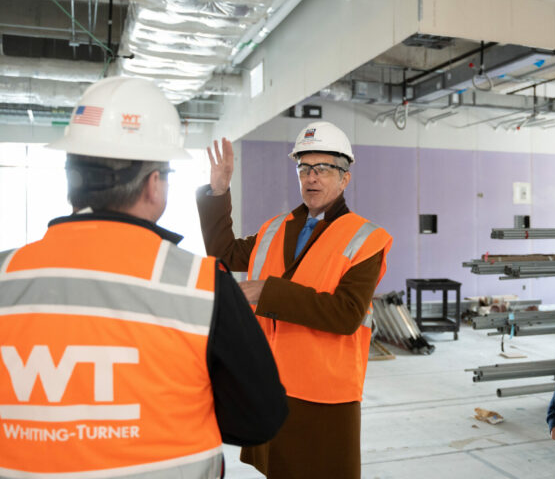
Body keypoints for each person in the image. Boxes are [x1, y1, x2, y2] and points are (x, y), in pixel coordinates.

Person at [0, 77, 287, 478]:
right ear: (154, 185)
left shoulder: (5, 276)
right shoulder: (201, 286)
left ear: (72, 179)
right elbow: (260, 418)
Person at [196, 121, 393, 478]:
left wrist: (266, 291)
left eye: (322, 169)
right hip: (272, 383)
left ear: (344, 178)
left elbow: (346, 314)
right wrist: (219, 190)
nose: (311, 178)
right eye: (304, 168)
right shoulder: (277, 227)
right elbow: (223, 252)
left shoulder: (367, 238)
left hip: (325, 393)